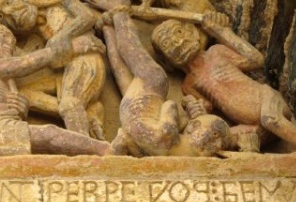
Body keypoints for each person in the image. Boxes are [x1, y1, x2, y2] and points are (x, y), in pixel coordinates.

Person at [150, 13, 296, 157]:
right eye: (167, 44)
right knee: (216, 139)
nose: (177, 43)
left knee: (270, 119)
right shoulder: (189, 85)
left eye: (178, 33)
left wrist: (220, 30)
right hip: (252, 128)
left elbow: (255, 59)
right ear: (166, 60)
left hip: (267, 101)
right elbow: (207, 110)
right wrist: (196, 110)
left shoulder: (216, 53)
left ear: (192, 32)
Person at [91, 0, 235, 157]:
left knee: (124, 63)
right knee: (128, 53)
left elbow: (168, 107)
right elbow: (169, 105)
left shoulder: (166, 141)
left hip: (136, 106)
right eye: (216, 137)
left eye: (217, 137)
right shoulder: (167, 141)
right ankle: (118, 12)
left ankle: (111, 24)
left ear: (194, 126)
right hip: (148, 94)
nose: (219, 144)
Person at [0, 22, 114, 166]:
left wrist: (20, 108)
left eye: (12, 43)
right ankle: (104, 150)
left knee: (48, 138)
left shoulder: (4, 79)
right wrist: (69, 48)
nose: (9, 44)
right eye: (3, 37)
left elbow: (5, 107)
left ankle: (91, 153)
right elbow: (24, 63)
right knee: (50, 134)